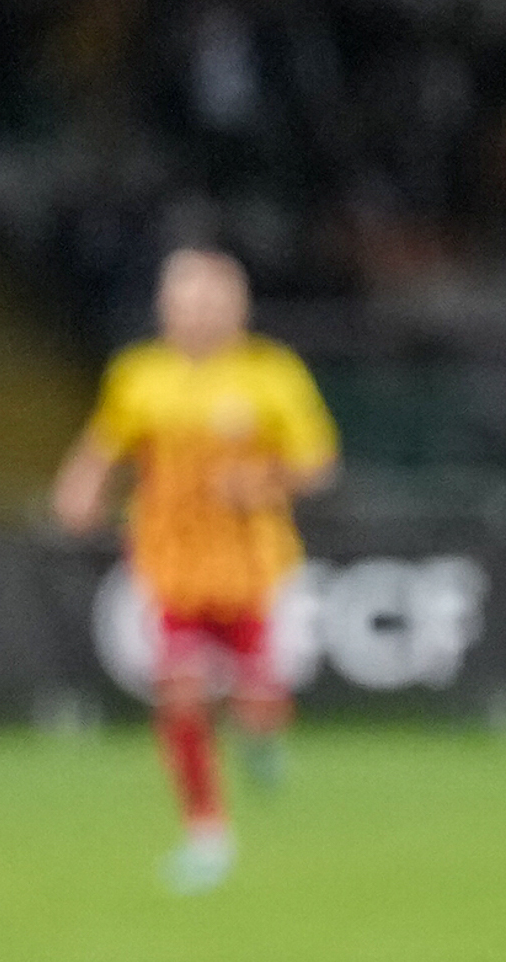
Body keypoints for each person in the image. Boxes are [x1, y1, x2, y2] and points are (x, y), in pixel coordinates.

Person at [49, 247, 338, 893]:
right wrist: (79, 489)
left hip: (254, 568)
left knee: (258, 705)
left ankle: (260, 740)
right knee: (179, 691)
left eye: (212, 301)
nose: (200, 314)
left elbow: (317, 465)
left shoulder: (271, 373)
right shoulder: (139, 375)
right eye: (187, 301)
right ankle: (206, 831)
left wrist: (261, 481)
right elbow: (106, 445)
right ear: (165, 307)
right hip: (171, 565)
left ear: (238, 308)